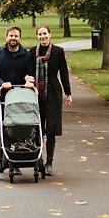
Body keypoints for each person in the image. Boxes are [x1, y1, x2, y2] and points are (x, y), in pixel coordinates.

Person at [30, 24, 72, 175]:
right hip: (36, 93)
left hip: (53, 92)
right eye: (40, 34)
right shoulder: (32, 52)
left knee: (51, 129)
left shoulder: (58, 51)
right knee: (38, 127)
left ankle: (49, 162)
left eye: (45, 34)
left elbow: (64, 72)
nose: (42, 37)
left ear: (50, 34)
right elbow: (28, 71)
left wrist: (68, 93)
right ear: (37, 36)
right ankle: (38, 159)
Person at [0, 25, 34, 168]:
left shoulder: (27, 55)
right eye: (11, 36)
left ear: (19, 38)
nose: (13, 38)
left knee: (18, 125)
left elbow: (31, 73)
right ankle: (3, 155)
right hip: (2, 96)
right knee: (0, 126)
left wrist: (28, 80)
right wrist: (2, 83)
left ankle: (18, 154)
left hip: (20, 97)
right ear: (6, 37)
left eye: (16, 36)